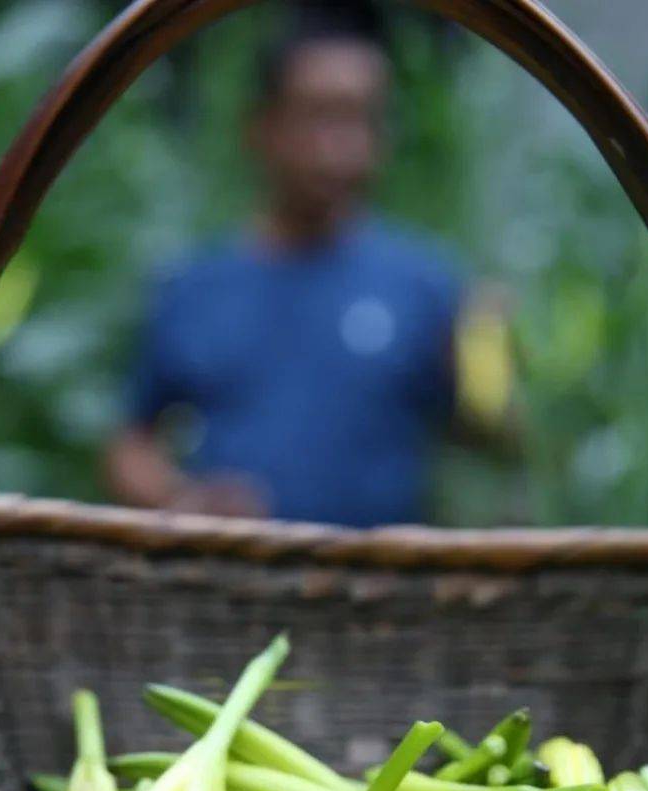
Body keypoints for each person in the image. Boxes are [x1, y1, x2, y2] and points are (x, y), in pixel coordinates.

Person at [105, 2, 518, 525]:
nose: (343, 149)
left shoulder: (427, 285)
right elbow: (130, 445)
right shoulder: (194, 288)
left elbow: (497, 439)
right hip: (228, 587)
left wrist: (495, 358)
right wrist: (181, 499)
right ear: (262, 128)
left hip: (383, 591)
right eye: (321, 117)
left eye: (363, 118)